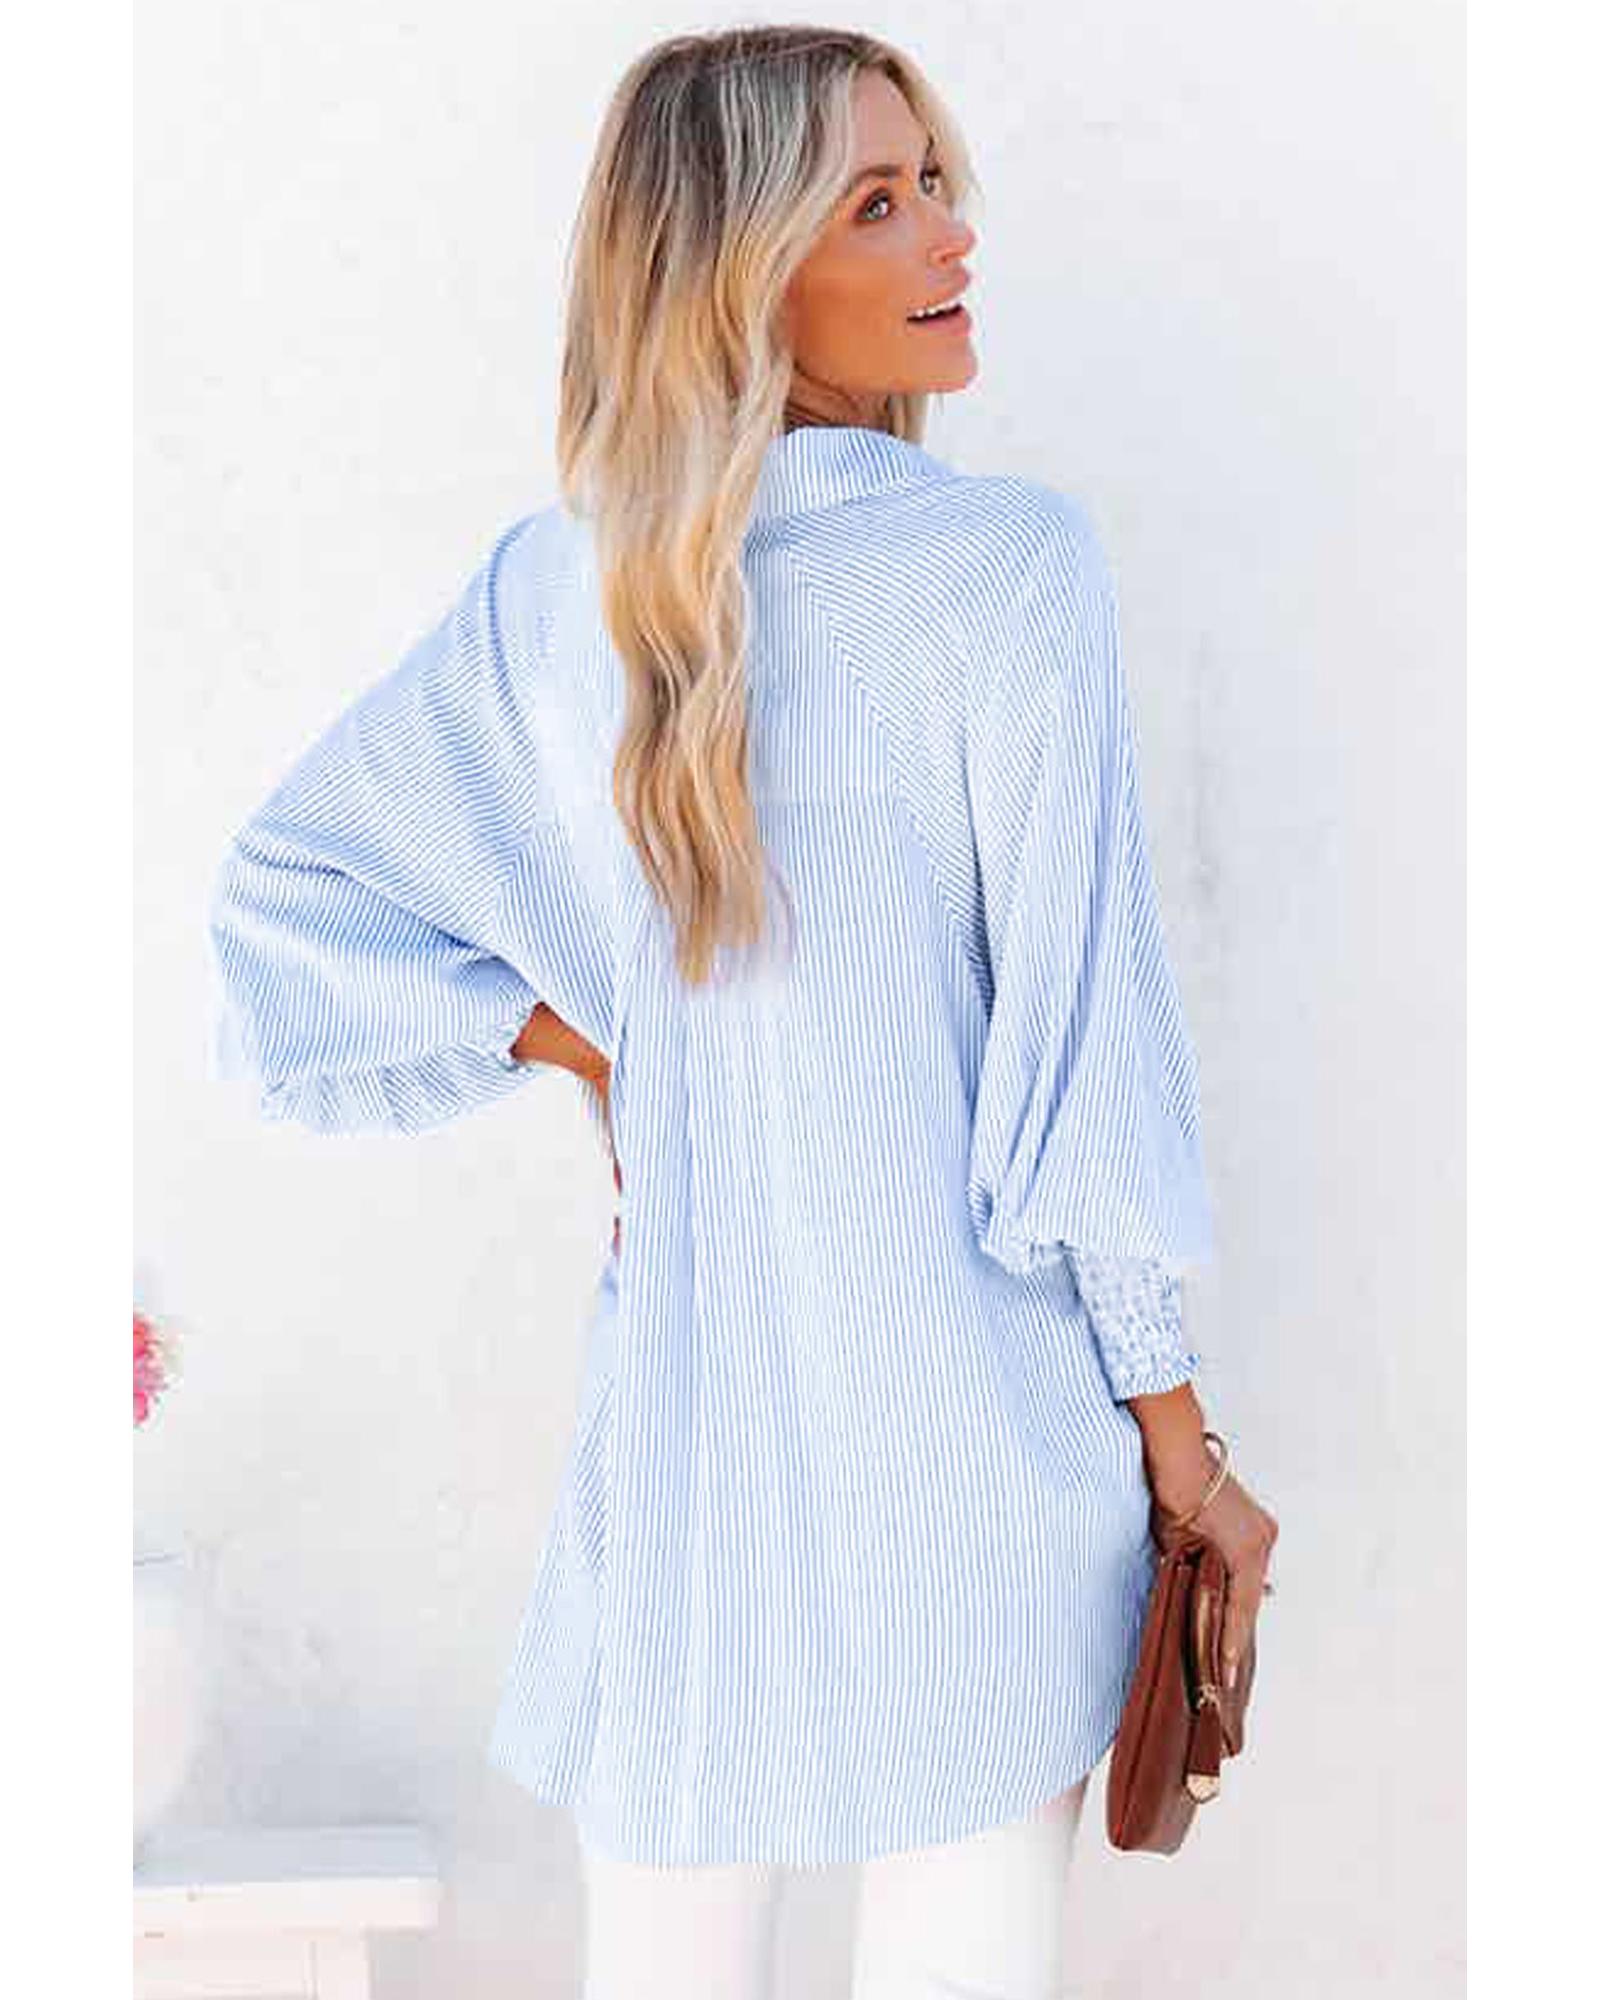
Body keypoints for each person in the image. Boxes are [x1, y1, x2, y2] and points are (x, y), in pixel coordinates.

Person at [205, 23, 1278, 1999]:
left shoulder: (558, 595)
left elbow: (285, 919)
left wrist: (580, 1038)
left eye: (933, 181)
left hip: (688, 1481)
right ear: (740, 268)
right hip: (980, 1463)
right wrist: (1182, 1452)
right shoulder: (1004, 572)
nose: (948, 234)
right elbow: (1076, 1067)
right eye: (874, 202)